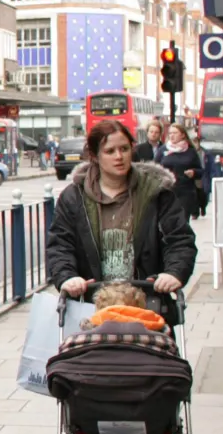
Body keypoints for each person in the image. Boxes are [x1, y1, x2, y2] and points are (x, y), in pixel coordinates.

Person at [46, 118, 196, 304]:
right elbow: (60, 244)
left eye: (124, 149)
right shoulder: (73, 197)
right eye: (110, 151)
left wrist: (174, 273)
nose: (119, 156)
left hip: (147, 304)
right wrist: (67, 277)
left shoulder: (156, 193)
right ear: (94, 155)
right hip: (91, 306)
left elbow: (179, 239)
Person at [159, 123, 202, 220]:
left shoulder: (190, 151)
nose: (172, 135)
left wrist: (193, 172)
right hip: (167, 191)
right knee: (168, 221)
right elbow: (154, 167)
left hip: (185, 192)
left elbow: (200, 171)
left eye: (175, 133)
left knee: (182, 221)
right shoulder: (163, 150)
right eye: (170, 133)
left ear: (183, 135)